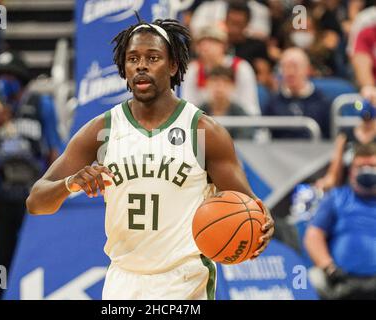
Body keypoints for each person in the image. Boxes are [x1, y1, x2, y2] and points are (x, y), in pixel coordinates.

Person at [26, 18, 274, 300]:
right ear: (124, 68)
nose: (141, 65)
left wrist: (262, 223)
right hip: (123, 279)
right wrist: (70, 183)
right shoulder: (102, 129)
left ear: (173, 66)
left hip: (185, 279)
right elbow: (36, 202)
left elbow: (249, 206)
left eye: (152, 58)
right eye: (133, 59)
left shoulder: (203, 131)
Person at [0, 51, 61, 299]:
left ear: (21, 78)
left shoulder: (41, 105)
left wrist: (55, 188)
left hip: (34, 195)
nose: (4, 81)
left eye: (10, 75)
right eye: (1, 76)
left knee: (37, 253)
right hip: (2, 194)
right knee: (2, 259)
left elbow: (54, 149)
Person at [304, 142, 376, 300]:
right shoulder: (337, 197)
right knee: (311, 278)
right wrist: (328, 267)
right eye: (360, 166)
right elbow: (314, 235)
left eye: (371, 165)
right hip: (341, 281)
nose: (367, 171)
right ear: (351, 171)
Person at [181, 24, 260, 115]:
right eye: (200, 43)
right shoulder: (193, 69)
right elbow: (188, 105)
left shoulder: (241, 67)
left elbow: (250, 107)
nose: (205, 47)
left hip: (237, 122)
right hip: (203, 122)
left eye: (211, 41)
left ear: (224, 45)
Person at [263, 47, 331, 139]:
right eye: (286, 67)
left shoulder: (323, 102)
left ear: (307, 70)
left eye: (295, 66)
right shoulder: (272, 103)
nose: (290, 72)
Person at [316, 99, 376, 191]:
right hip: (350, 187)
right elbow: (335, 166)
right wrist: (328, 180)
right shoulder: (346, 135)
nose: (367, 121)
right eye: (365, 118)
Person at [200, 65, 254, 139]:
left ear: (233, 86)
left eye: (225, 82)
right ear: (206, 84)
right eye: (214, 81)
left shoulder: (241, 115)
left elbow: (245, 141)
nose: (219, 87)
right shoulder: (197, 113)